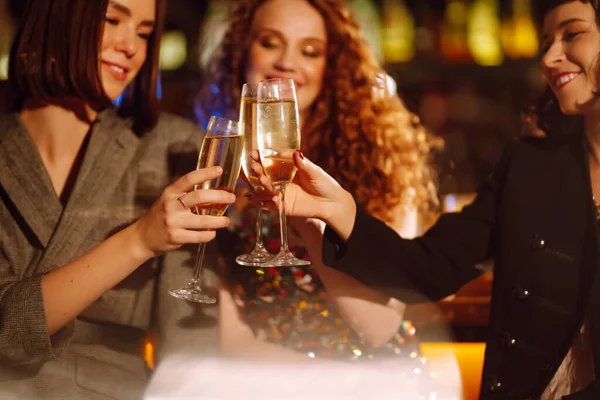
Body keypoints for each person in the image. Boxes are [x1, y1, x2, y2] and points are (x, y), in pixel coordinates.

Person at [251, 0, 600, 398]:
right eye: (546, 42)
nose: (552, 57)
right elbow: (428, 269)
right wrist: (337, 210)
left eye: (572, 35)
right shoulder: (528, 167)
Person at [0, 0, 235, 398]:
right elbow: (9, 330)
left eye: (144, 33)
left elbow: (189, 342)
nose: (131, 47)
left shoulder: (173, 148)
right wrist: (139, 240)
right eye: (113, 20)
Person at [197, 0, 442, 365]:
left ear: (332, 66)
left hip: (378, 380)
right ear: (240, 53)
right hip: (277, 381)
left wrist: (307, 220)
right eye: (269, 42)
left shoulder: (382, 162)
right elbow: (232, 341)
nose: (287, 62)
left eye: (310, 51)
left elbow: (379, 328)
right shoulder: (223, 161)